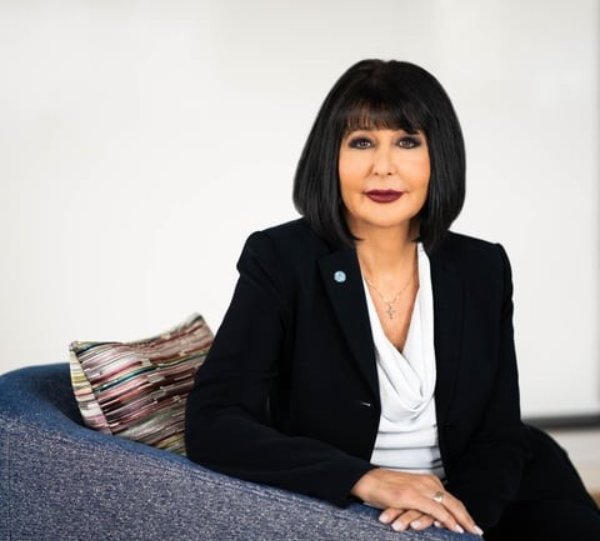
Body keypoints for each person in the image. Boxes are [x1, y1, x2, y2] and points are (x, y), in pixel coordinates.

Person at [185, 59, 600, 539]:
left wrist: (453, 515)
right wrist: (366, 480)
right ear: (330, 158)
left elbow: (499, 433)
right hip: (361, 505)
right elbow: (214, 422)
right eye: (361, 142)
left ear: (437, 156)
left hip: (489, 492)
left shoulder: (483, 267)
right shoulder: (280, 260)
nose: (383, 166)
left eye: (407, 141)